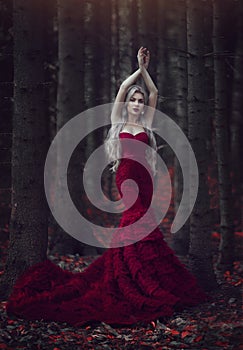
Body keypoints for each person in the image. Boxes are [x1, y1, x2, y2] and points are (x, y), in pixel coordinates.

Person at [6, 47, 210, 327]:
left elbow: (154, 94)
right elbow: (125, 86)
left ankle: (144, 276)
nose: (137, 104)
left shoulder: (147, 124)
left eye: (139, 101)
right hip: (127, 178)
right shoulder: (119, 121)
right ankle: (133, 278)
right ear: (126, 104)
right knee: (134, 222)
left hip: (146, 181)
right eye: (133, 101)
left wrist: (147, 73)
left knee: (145, 227)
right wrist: (139, 68)